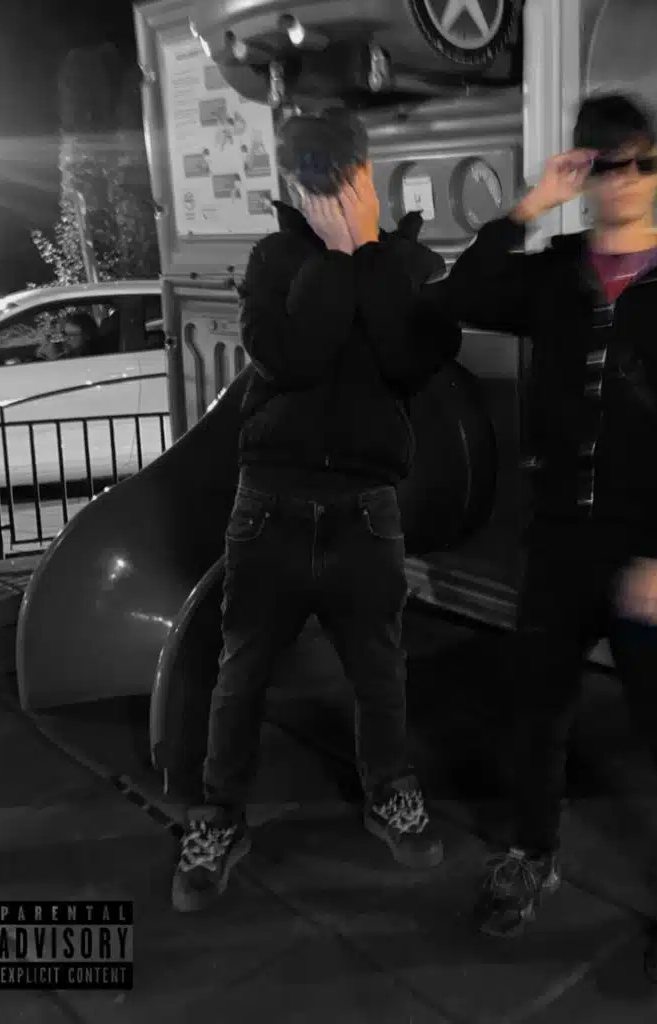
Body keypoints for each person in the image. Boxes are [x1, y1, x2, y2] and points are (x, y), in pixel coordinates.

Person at [435, 92, 657, 986]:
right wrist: (533, 205)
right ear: (584, 169)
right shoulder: (556, 272)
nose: (627, 179)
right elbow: (457, 296)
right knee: (536, 712)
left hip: (648, 547)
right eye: (607, 163)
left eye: (644, 161)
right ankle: (532, 853)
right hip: (560, 544)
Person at [171, 110, 461, 913]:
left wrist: (367, 255)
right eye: (312, 184)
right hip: (268, 503)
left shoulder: (408, 263)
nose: (327, 196)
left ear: (367, 173)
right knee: (241, 673)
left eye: (341, 178)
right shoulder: (274, 259)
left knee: (379, 672)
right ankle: (219, 816)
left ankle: (389, 792)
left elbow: (408, 362)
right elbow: (291, 357)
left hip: (365, 509)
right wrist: (336, 259)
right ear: (294, 186)